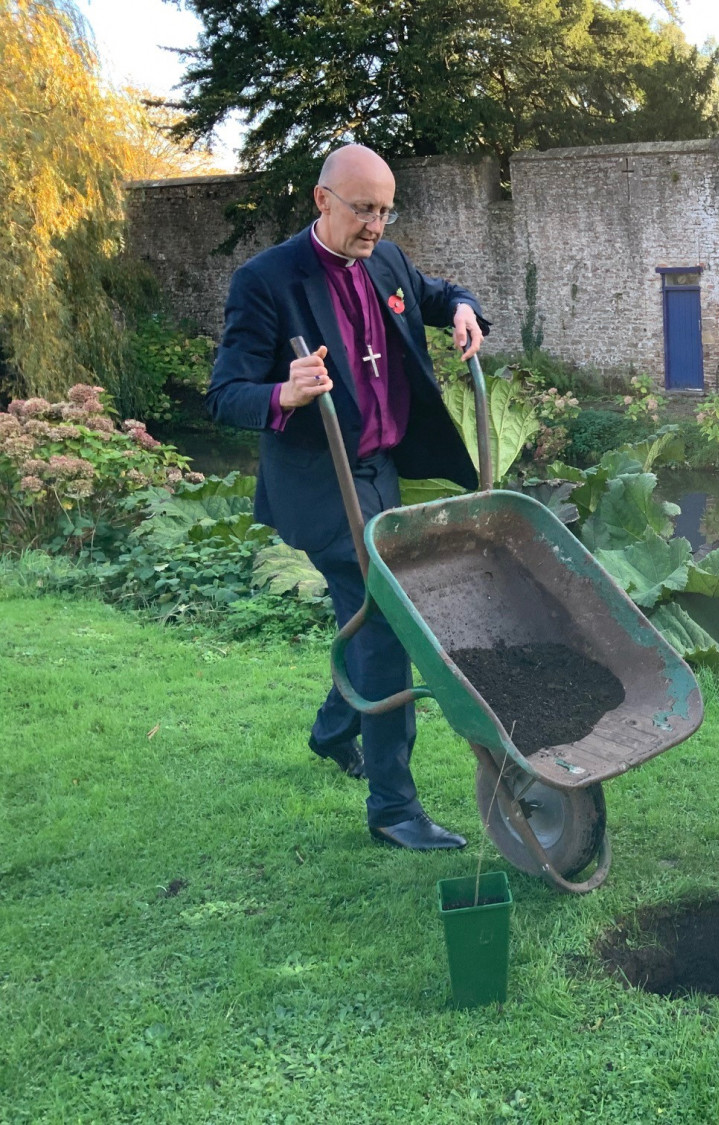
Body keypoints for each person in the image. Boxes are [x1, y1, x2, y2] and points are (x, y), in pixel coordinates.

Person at [207, 144, 486, 851]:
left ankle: (335, 729)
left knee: (365, 622)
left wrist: (461, 309)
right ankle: (393, 808)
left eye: (386, 211)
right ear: (321, 200)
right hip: (321, 482)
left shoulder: (385, 263)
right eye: (363, 209)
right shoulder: (268, 281)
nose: (375, 226)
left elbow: (432, 292)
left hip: (382, 473)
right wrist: (284, 391)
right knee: (388, 623)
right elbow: (225, 393)